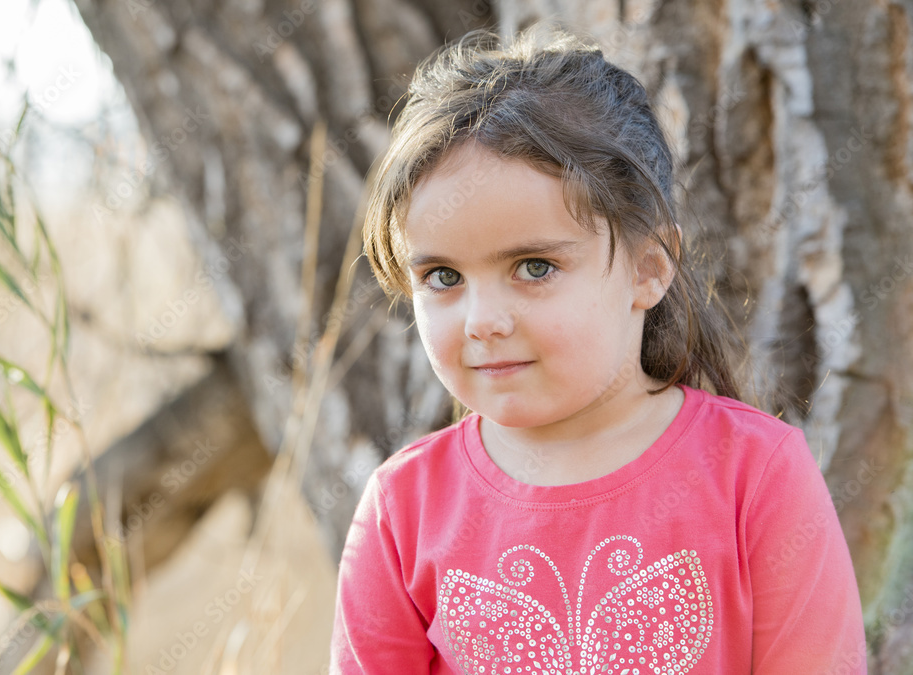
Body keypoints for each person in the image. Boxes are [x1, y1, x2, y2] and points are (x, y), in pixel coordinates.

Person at [331, 23, 866, 675]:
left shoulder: (756, 475)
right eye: (443, 276)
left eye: (533, 267)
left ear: (648, 267)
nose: (482, 321)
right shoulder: (402, 510)